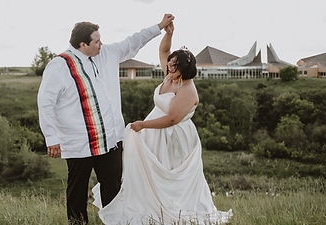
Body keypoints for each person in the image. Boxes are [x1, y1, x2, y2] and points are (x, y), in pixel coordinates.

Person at [37, 14, 175, 224]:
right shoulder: (59, 66)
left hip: (110, 140)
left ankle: (114, 222)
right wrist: (51, 137)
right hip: (79, 143)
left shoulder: (107, 53)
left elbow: (132, 41)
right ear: (83, 45)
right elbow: (45, 103)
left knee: (113, 188)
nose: (101, 44)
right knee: (77, 190)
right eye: (96, 41)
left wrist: (159, 27)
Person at [92, 21, 232, 224]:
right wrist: (169, 32)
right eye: (169, 63)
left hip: (173, 136)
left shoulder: (187, 89)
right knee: (145, 173)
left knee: (167, 177)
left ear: (183, 69)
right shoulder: (170, 75)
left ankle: (175, 213)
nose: (168, 66)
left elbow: (172, 119)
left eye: (173, 65)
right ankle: (147, 208)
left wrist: (142, 125)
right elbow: (164, 49)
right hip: (154, 130)